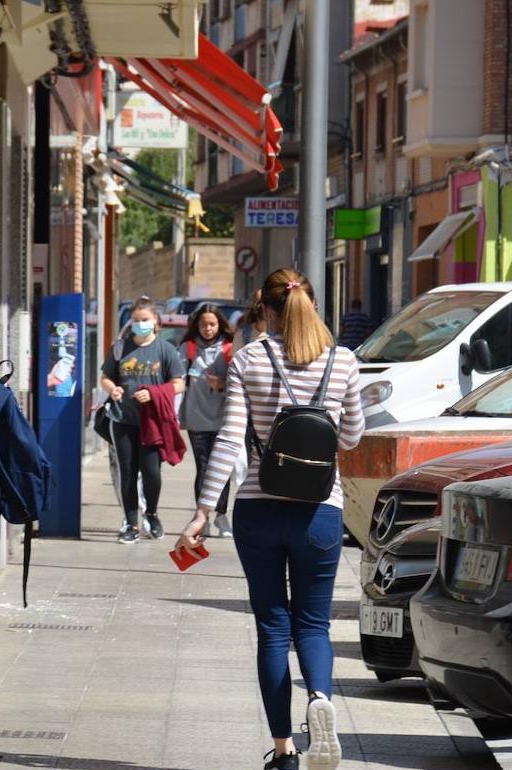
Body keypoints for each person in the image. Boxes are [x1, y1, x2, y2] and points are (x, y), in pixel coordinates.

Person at [176, 268, 364, 770]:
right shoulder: (344, 361)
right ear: (313, 304)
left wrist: (202, 510)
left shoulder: (250, 359)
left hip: (258, 510)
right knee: (313, 624)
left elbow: (230, 439)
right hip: (321, 513)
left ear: (266, 308)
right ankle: (320, 699)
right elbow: (350, 439)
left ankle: (282, 752)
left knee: (272, 628)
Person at [100, 297, 186, 544]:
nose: (140, 324)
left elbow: (179, 383)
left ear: (155, 321)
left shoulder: (165, 350)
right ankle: (131, 523)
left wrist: (154, 393)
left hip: (153, 421)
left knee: (151, 472)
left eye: (145, 320)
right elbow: (106, 377)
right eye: (136, 320)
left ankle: (152, 513)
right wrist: (112, 389)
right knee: (127, 472)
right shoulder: (119, 348)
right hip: (123, 418)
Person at [178, 304, 235, 537]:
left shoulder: (229, 349)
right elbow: (177, 379)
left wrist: (222, 384)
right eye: (203, 324)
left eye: (212, 324)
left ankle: (222, 515)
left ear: (219, 325)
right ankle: (204, 519)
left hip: (223, 418)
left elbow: (238, 384)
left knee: (222, 468)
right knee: (203, 467)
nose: (208, 329)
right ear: (196, 326)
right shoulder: (187, 348)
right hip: (196, 419)